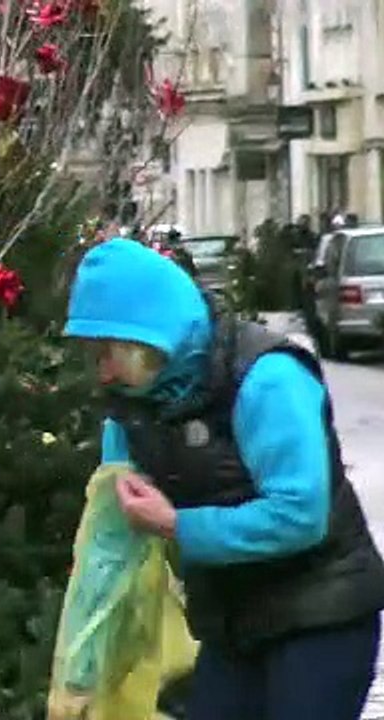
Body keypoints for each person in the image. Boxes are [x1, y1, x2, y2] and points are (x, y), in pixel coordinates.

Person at [63, 238, 384, 720]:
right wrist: (82, 669)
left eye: (111, 352)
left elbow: (299, 514)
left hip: (321, 614)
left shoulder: (267, 377)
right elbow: (110, 544)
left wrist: (176, 525)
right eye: (94, 355)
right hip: (232, 626)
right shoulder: (133, 407)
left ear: (151, 336)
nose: (104, 372)